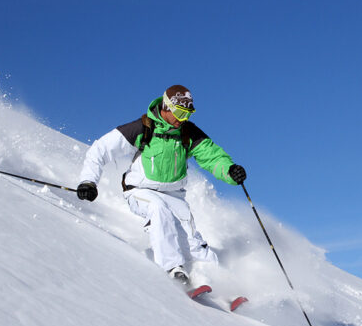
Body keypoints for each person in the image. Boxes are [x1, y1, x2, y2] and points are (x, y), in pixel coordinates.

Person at [76, 84, 246, 285]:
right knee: (158, 210)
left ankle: (220, 283)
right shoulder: (143, 127)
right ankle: (172, 268)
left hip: (175, 195)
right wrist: (88, 181)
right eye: (180, 113)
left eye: (188, 114)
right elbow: (100, 150)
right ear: (166, 107)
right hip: (140, 191)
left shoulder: (187, 132)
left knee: (191, 239)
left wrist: (229, 170)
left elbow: (212, 156)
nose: (183, 119)